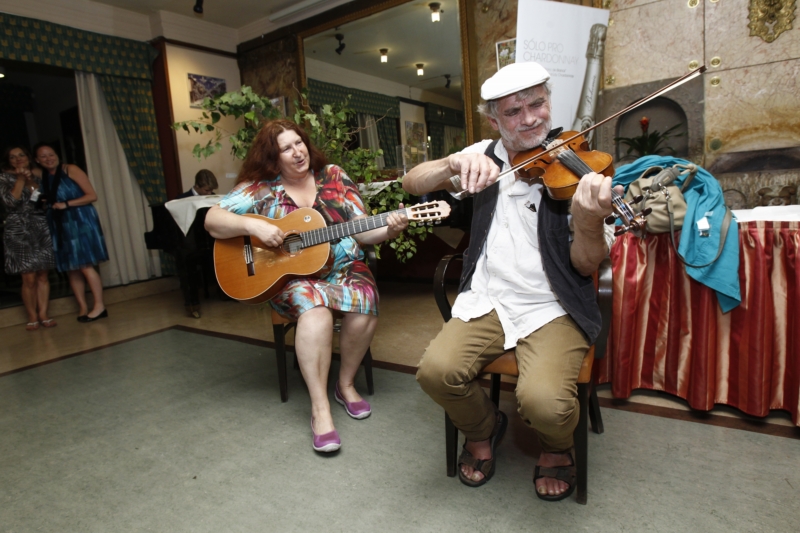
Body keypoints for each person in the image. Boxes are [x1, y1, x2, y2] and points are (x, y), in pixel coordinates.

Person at [403, 62, 619, 501]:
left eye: (537, 103)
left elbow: (586, 263)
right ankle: (486, 427)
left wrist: (588, 221)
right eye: (514, 111)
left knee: (544, 402)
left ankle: (557, 449)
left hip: (553, 304)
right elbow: (412, 183)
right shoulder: (482, 155)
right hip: (488, 299)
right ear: (494, 120)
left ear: (548, 100)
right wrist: (450, 163)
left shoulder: (581, 165)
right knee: (435, 373)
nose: (530, 119)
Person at [205, 119, 408, 452]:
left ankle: (345, 384)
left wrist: (391, 229)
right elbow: (212, 220)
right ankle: (320, 409)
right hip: (290, 277)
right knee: (316, 313)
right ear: (273, 156)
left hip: (341, 266)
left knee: (366, 297)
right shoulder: (259, 187)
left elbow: (360, 229)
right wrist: (253, 226)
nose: (297, 152)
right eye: (286, 148)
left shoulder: (333, 176)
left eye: (298, 143)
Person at [36, 143, 109, 323]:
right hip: (60, 223)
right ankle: (83, 306)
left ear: (57, 155)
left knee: (85, 264)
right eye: (43, 156)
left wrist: (66, 204)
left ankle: (99, 306)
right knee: (72, 267)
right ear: (37, 160)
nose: (49, 158)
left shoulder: (71, 169)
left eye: (51, 154)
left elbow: (92, 195)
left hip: (80, 219)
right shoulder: (42, 176)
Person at [0, 146, 56, 330]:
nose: (18, 159)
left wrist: (31, 180)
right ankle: (32, 316)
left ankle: (43, 314)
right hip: (18, 229)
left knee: (42, 274)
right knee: (29, 277)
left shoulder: (38, 175)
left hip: (39, 226)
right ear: (8, 160)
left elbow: (41, 203)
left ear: (28, 157)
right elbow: (11, 202)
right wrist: (20, 179)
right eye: (13, 157)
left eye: (21, 155)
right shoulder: (3, 177)